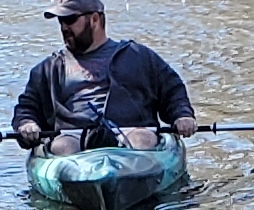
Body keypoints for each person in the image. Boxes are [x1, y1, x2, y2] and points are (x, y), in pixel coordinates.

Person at [10, 0, 195, 156]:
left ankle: (130, 185)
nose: (64, 27)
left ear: (95, 19)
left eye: (70, 19)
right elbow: (28, 107)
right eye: (61, 21)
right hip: (73, 137)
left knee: (142, 140)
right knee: (62, 147)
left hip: (132, 132)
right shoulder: (48, 69)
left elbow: (172, 90)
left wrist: (182, 115)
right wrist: (27, 124)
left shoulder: (139, 56)